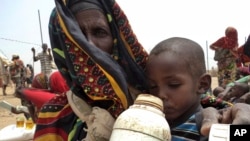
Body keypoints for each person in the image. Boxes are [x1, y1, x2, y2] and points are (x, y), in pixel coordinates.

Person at [33, 0, 250, 140]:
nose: (88, 46)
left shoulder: (149, 96)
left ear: (117, 38)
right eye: (75, 38)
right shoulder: (56, 114)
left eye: (99, 32)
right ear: (62, 46)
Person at [145, 37, 250, 140]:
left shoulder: (213, 127)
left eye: (173, 84)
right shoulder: (148, 121)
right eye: (153, 86)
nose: (160, 94)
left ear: (202, 84)